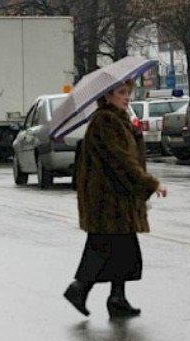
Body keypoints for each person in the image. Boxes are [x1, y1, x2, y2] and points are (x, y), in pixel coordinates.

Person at [64, 80, 168, 319]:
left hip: (116, 198)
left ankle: (116, 298)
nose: (127, 97)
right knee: (102, 248)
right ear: (107, 96)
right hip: (108, 200)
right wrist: (151, 184)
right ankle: (80, 289)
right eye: (122, 93)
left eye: (128, 93)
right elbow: (122, 161)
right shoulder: (106, 122)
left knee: (122, 250)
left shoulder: (117, 120)